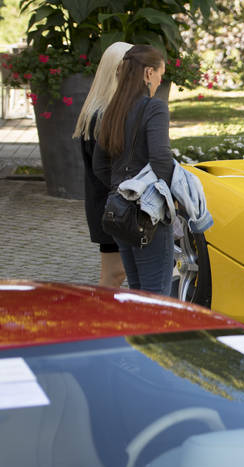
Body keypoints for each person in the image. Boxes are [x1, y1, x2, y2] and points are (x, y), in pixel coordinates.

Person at [93, 45, 175, 296]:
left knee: (138, 293)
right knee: (156, 295)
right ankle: (151, 337)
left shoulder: (112, 110)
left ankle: (135, 336)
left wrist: (122, 188)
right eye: (161, 73)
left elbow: (99, 164)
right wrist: (174, 200)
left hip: (119, 211)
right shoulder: (155, 108)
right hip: (148, 213)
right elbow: (161, 159)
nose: (161, 80)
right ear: (148, 73)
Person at [73, 40, 133, 288]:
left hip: (106, 205)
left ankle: (104, 320)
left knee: (115, 274)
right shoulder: (104, 114)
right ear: (119, 70)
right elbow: (106, 168)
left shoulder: (99, 111)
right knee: (115, 274)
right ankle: (99, 321)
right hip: (112, 206)